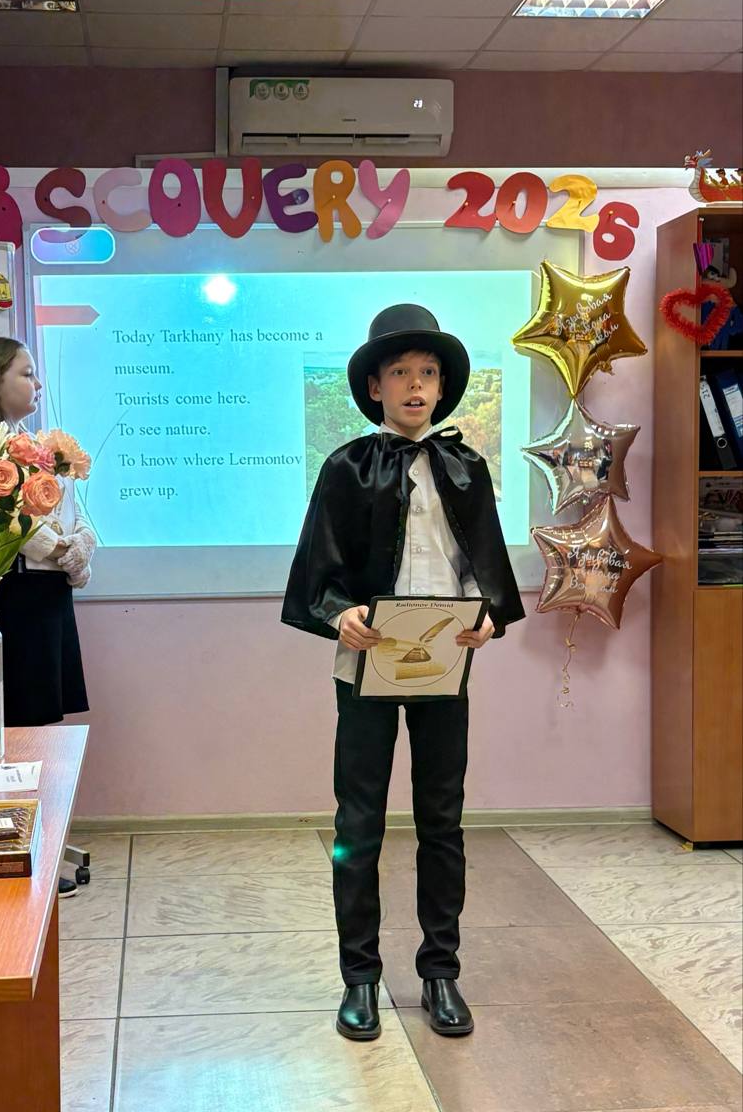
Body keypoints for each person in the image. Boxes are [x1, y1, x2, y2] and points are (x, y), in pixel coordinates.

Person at [282, 304, 524, 1043]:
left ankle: (440, 971)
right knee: (357, 822)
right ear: (375, 387)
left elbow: (484, 568)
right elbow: (319, 570)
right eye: (400, 373)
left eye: (427, 373)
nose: (415, 386)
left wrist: (487, 617)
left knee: (441, 819)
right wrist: (340, 613)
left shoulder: (466, 467)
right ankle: (359, 976)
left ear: (443, 387)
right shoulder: (345, 467)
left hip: (444, 664)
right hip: (365, 665)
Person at [0, 336, 95, 891]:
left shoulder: (36, 446)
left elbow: (71, 515)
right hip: (9, 602)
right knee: (9, 729)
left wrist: (80, 544)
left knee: (39, 728)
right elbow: (12, 525)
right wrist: (61, 549)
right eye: (25, 374)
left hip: (46, 599)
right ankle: (10, 845)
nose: (37, 384)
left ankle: (34, 839)